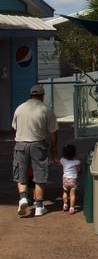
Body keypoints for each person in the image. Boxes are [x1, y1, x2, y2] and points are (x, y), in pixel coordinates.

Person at [12, 83, 58, 217]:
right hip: (38, 145)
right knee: (40, 176)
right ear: (42, 96)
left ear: (30, 95)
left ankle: (23, 198)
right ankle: (39, 206)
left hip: (20, 144)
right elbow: (53, 132)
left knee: (20, 172)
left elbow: (14, 128)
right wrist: (54, 148)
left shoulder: (20, 108)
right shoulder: (46, 109)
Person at [60, 143, 81, 214]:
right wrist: (79, 171)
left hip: (65, 179)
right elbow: (78, 170)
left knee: (65, 192)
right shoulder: (76, 162)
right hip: (72, 180)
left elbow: (58, 162)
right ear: (74, 153)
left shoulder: (63, 160)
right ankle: (72, 208)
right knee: (72, 194)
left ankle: (65, 204)